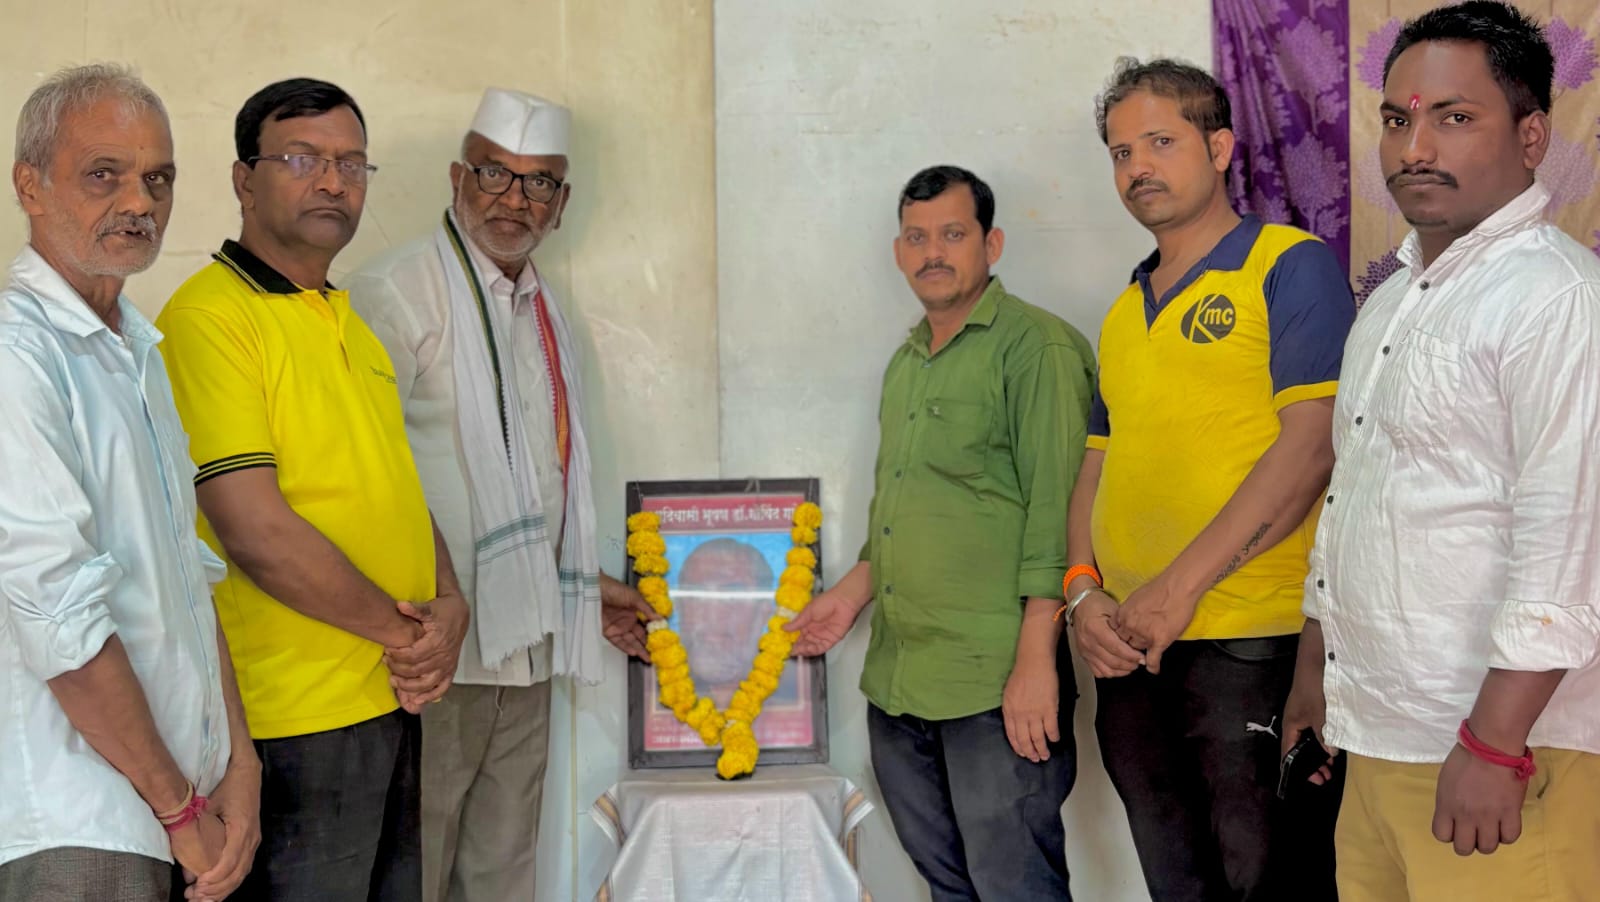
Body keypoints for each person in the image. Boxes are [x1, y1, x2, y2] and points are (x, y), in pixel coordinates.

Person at [1284, 3, 1600, 898]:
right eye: (1398, 119)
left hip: (1506, 753)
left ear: (1532, 135)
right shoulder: (1392, 302)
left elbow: (1571, 543)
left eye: (1455, 118)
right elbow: (1356, 499)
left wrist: (1494, 745)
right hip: (1380, 731)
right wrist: (1316, 674)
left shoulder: (1559, 300)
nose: (1415, 147)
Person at [156, 78, 468, 902]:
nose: (333, 181)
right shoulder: (209, 319)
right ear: (243, 179)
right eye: (302, 159)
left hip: (387, 701)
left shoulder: (350, 321)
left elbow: (394, 487)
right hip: (289, 721)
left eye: (352, 163)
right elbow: (253, 531)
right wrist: (407, 637)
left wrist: (449, 601)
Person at [346, 87, 654, 902]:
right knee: (415, 873)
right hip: (432, 655)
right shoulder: (395, 292)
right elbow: (368, 476)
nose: (514, 199)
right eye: (494, 173)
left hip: (528, 650)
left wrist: (584, 589)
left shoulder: (545, 310)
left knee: (503, 877)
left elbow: (535, 483)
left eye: (538, 181)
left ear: (562, 201)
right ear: (457, 176)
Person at [1067, 58, 1353, 900]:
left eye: (1161, 142)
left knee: (1274, 884)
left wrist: (1177, 588)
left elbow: (1313, 446)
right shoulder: (1122, 313)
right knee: (1177, 885)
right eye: (1121, 152)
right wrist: (1083, 594)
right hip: (1131, 652)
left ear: (1220, 147)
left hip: (1253, 643)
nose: (1138, 168)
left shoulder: (1288, 265)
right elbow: (1096, 467)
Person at [786, 165, 1092, 900]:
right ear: (898, 252)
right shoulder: (907, 362)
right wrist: (849, 597)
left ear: (992, 243)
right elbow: (905, 506)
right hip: (900, 683)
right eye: (917, 237)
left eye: (953, 234)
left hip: (996, 682)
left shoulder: (1037, 348)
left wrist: (1035, 663)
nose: (933, 252)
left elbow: (1060, 513)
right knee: (949, 889)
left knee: (1015, 886)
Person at [0, 64, 258, 902]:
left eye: (159, 179)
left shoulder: (135, 351)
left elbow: (188, 573)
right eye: (103, 175)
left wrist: (238, 764)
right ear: (29, 185)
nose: (139, 202)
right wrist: (181, 810)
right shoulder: (17, 356)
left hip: (176, 811)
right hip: (81, 823)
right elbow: (58, 616)